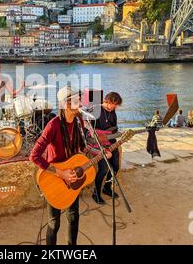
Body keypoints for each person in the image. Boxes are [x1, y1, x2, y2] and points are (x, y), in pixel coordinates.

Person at [29, 87, 111, 245]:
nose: (80, 103)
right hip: (54, 178)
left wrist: (99, 152)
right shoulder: (53, 126)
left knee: (74, 217)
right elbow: (34, 156)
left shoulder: (79, 121)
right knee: (54, 223)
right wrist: (60, 173)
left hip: (72, 177)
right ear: (65, 104)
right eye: (76, 100)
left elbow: (83, 147)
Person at [89, 92, 123, 205]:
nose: (113, 107)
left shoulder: (112, 112)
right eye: (112, 104)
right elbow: (87, 129)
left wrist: (117, 134)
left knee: (115, 167)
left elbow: (113, 129)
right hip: (97, 144)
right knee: (103, 169)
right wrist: (97, 137)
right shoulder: (95, 110)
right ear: (106, 100)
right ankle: (96, 193)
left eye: (115, 105)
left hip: (111, 142)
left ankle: (107, 188)